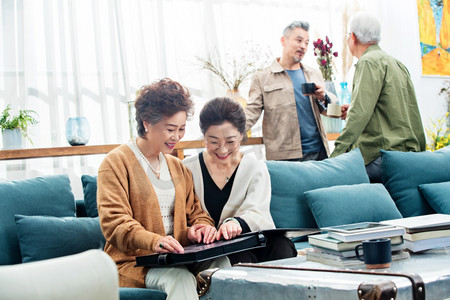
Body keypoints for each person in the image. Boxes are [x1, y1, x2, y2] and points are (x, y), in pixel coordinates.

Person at [97, 78, 231, 300]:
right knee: (179, 278)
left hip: (177, 256)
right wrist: (154, 241)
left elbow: (197, 213)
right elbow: (115, 224)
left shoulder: (177, 167)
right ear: (147, 122)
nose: (176, 137)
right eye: (170, 129)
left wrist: (199, 228)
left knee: (222, 264)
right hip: (134, 263)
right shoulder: (115, 164)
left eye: (181, 129)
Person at [183, 97, 297, 265]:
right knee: (239, 258)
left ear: (242, 135)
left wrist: (236, 222)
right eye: (213, 142)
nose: (222, 149)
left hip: (249, 238)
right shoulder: (187, 169)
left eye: (230, 141)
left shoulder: (255, 167)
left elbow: (258, 210)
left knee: (281, 247)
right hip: (210, 247)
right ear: (204, 137)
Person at [330, 12, 426, 182]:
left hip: (381, 156)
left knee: (340, 181)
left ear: (352, 37)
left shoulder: (367, 62)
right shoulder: (396, 63)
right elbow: (410, 110)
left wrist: (335, 155)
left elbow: (359, 115)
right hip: (408, 155)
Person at [244, 20, 338, 161]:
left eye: (306, 43)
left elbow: (332, 113)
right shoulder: (262, 78)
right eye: (299, 40)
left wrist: (323, 96)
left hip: (319, 153)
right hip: (284, 157)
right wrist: (229, 133)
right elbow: (251, 112)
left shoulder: (314, 74)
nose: (303, 46)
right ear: (284, 40)